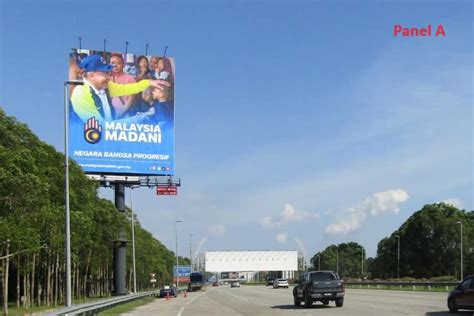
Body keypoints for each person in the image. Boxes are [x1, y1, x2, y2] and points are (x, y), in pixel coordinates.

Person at [70, 54, 170, 124]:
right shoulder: (80, 93)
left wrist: (149, 82)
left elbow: (128, 88)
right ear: (92, 76)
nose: (109, 77)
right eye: (106, 74)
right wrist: (137, 120)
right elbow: (100, 127)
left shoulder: (106, 86)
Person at [109, 54, 136, 118]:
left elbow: (131, 99)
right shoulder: (107, 79)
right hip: (111, 113)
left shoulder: (130, 79)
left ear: (123, 65)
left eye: (118, 63)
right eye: (113, 63)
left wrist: (120, 113)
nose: (115, 65)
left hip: (126, 113)